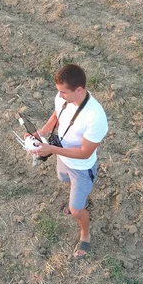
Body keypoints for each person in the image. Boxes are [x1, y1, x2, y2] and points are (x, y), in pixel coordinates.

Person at [35, 64, 108, 258]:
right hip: (63, 157)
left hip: (82, 167)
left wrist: (52, 149)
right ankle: (78, 196)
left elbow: (85, 153)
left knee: (76, 210)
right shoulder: (63, 98)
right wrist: (42, 131)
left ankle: (85, 234)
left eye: (63, 92)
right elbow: (56, 115)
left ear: (79, 90)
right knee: (64, 179)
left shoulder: (95, 117)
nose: (59, 96)